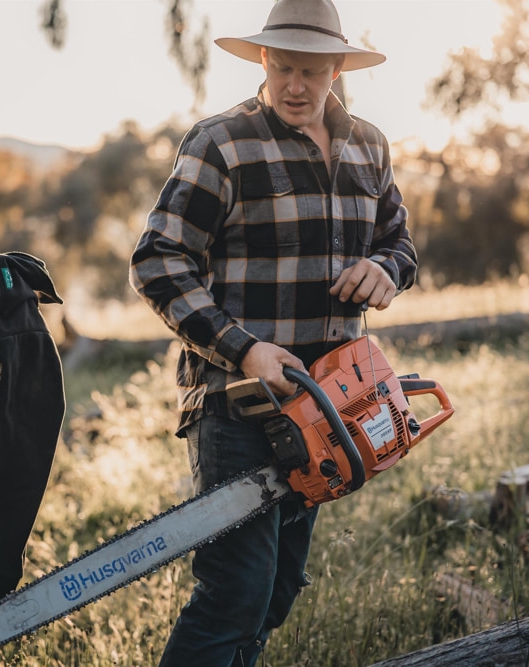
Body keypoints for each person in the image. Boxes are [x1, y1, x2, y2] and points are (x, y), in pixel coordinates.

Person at [128, 0, 418, 664]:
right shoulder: (221, 143)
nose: (295, 84)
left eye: (312, 71)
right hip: (237, 404)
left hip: (329, 406)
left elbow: (399, 242)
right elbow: (158, 261)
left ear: (337, 68)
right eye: (283, 66)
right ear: (263, 59)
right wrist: (244, 348)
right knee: (237, 591)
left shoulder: (370, 145)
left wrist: (384, 269)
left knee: (278, 589)